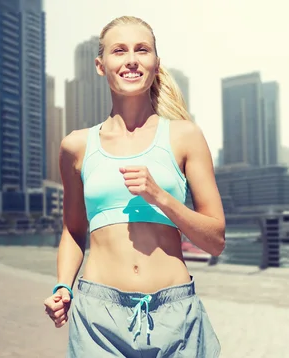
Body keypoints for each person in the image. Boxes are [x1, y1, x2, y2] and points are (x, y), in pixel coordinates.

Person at [43, 15, 225, 358]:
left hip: (177, 317)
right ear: (101, 65)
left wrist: (160, 197)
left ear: (156, 63)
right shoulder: (76, 146)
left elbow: (215, 241)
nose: (131, 60)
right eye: (119, 51)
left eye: (142, 50)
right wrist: (63, 286)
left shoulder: (185, 136)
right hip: (99, 319)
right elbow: (73, 229)